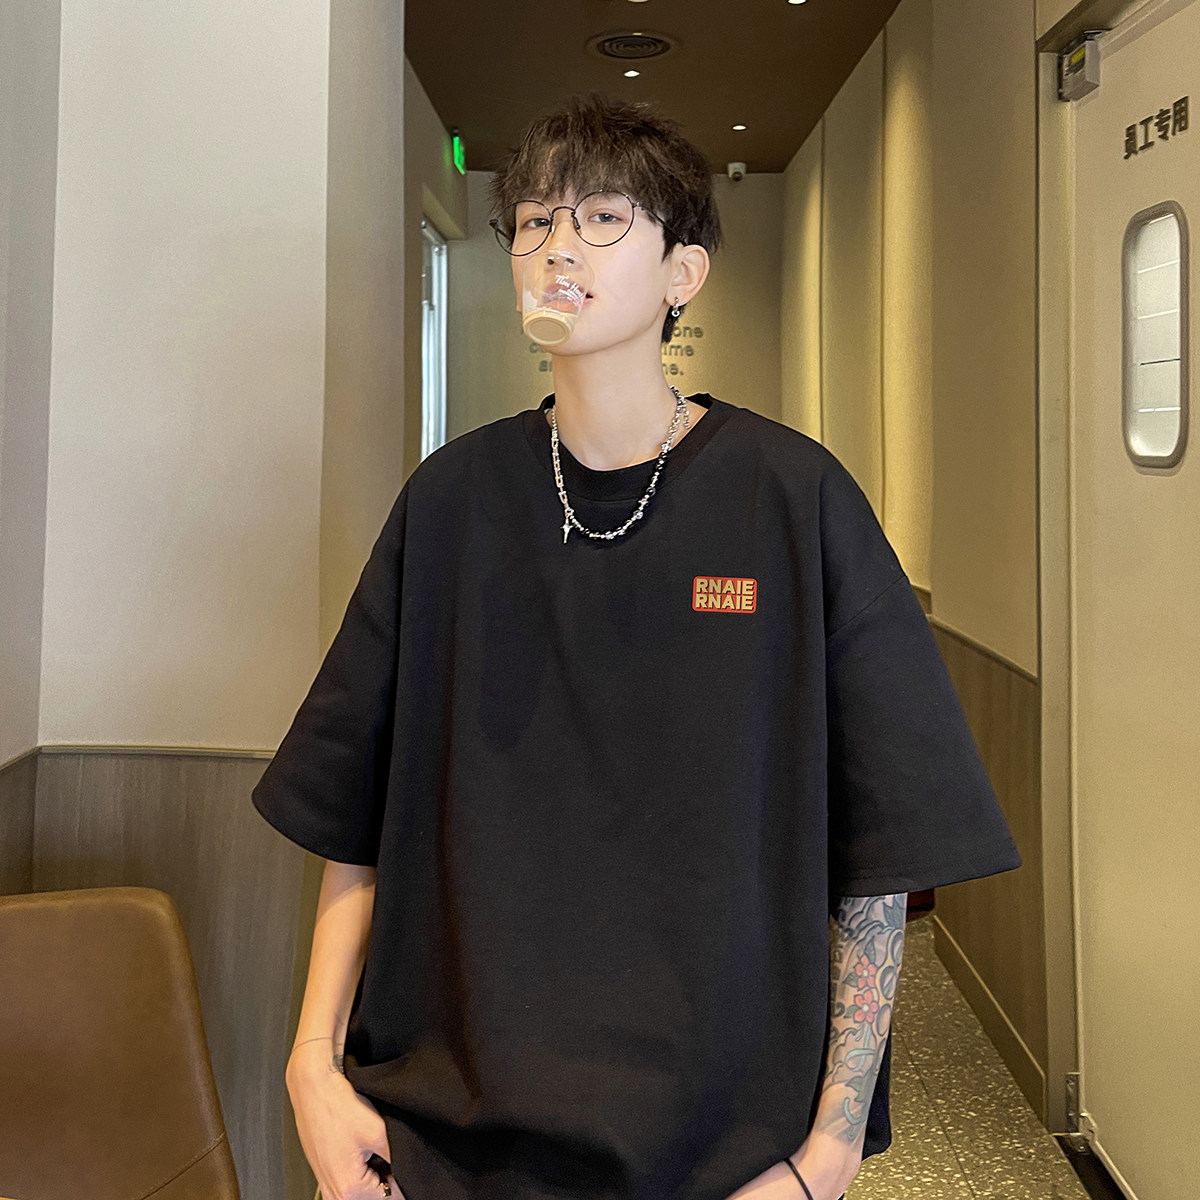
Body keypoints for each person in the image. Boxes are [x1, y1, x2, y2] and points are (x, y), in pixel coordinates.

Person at [252, 92, 1022, 1200]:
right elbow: (355, 812)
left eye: (602, 217)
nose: (556, 247)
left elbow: (880, 854)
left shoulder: (792, 498)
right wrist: (311, 1065)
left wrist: (830, 1151)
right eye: (533, 220)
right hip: (449, 1132)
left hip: (722, 1144)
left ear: (683, 273)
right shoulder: (451, 501)